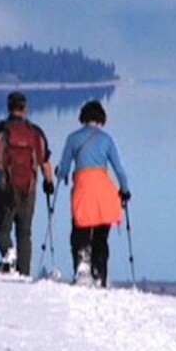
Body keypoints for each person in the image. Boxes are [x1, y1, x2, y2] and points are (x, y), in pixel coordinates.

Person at [0, 91, 56, 276]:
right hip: (29, 189)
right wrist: (49, 183)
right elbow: (46, 164)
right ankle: (24, 274)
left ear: (8, 108)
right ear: (25, 108)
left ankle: (9, 254)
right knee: (25, 233)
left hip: (4, 188)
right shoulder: (36, 133)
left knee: (2, 232)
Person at [55, 100, 130, 287]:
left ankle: (82, 265)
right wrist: (125, 191)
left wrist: (59, 173)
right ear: (101, 119)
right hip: (105, 193)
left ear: (83, 118)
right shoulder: (107, 140)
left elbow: (64, 169)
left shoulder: (73, 139)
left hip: (83, 190)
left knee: (80, 230)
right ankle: (100, 275)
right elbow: (120, 170)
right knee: (101, 238)